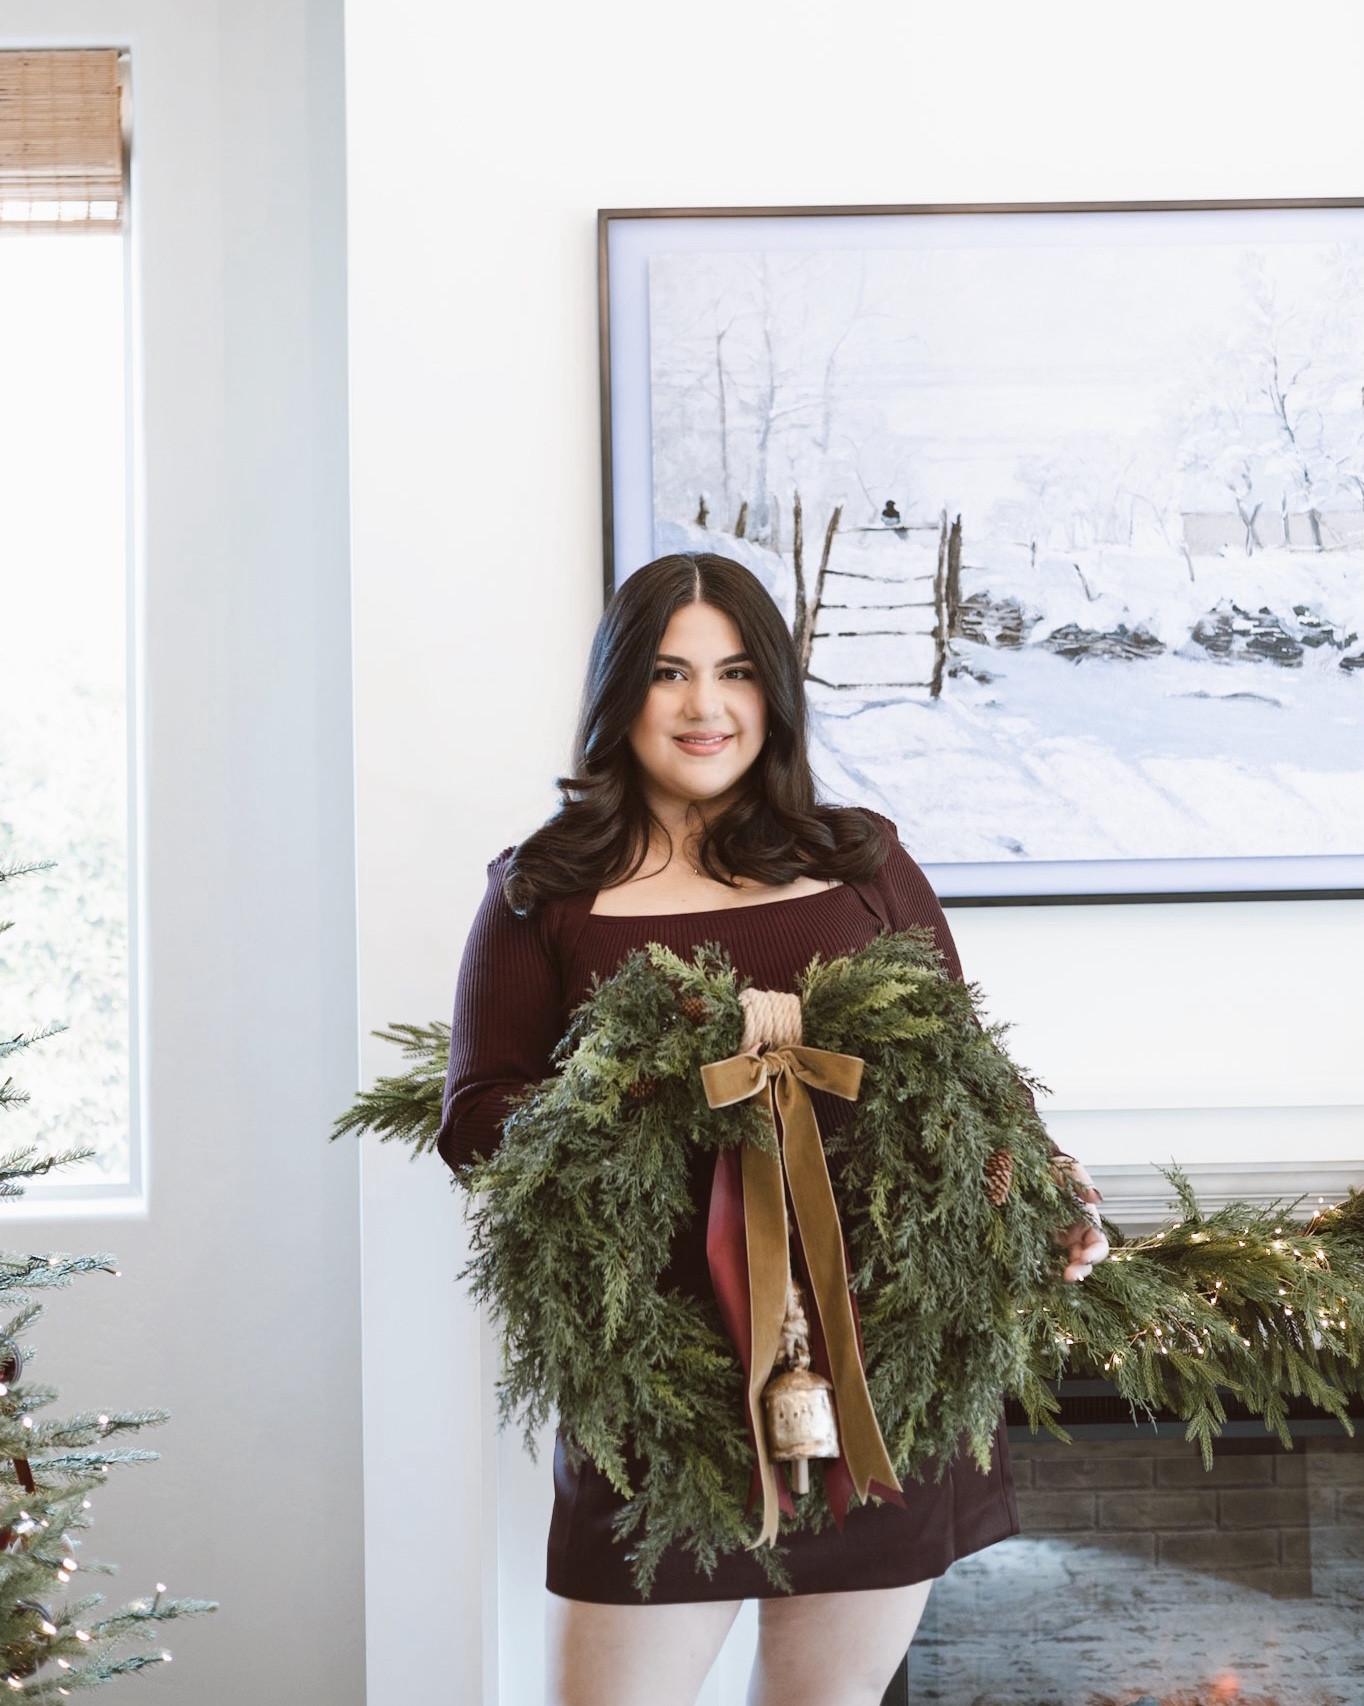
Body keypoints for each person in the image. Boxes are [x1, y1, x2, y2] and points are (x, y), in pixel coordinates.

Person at [436, 553, 1108, 1706]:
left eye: (737, 670)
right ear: (617, 694)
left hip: (878, 1364)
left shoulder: (860, 860)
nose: (706, 706)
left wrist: (1044, 1182)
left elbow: (968, 1073)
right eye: (668, 673)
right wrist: (656, 1087)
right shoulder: (539, 893)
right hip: (658, 1384)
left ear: (775, 688)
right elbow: (476, 1118)